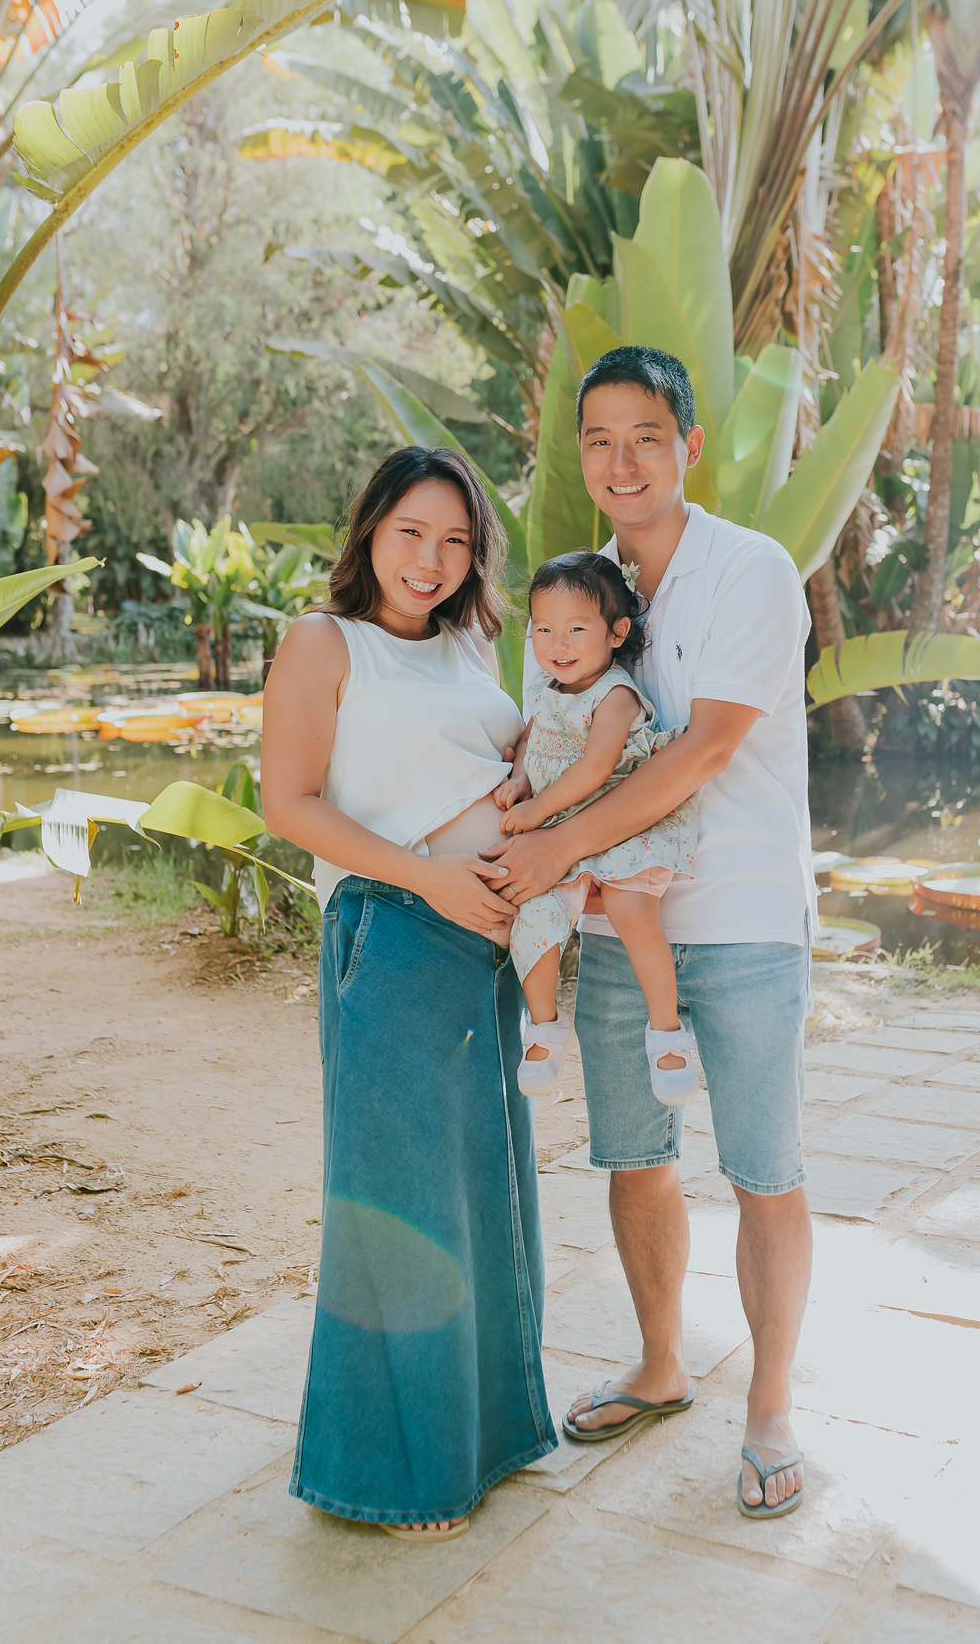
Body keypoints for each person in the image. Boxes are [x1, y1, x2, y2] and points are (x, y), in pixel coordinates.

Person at [484, 345, 817, 1518]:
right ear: (580, 456)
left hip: (743, 918)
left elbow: (706, 747)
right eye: (599, 440)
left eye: (646, 437)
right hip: (621, 924)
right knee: (636, 1154)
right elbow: (553, 738)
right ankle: (661, 1363)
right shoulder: (582, 591)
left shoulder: (750, 570)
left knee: (764, 1170)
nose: (621, 462)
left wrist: (555, 847)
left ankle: (770, 1407)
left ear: (690, 446)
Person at [261, 445, 557, 1541]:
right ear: (370, 530)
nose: (431, 560)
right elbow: (289, 803)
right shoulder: (323, 641)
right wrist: (431, 875)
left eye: (456, 541)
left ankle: (488, 1437)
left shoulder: (473, 642)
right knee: (395, 1207)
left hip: (486, 949)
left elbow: (491, 765)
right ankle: (394, 1476)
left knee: (484, 1192)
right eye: (411, 533)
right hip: (393, 931)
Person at [495, 550, 699, 1102]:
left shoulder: (615, 695)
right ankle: (544, 1026)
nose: (557, 644)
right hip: (561, 827)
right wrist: (521, 779)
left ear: (617, 632)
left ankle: (667, 1033)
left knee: (633, 911)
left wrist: (536, 811)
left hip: (619, 822)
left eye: (576, 629)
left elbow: (595, 767)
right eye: (543, 629)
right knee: (534, 915)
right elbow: (533, 738)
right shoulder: (546, 689)